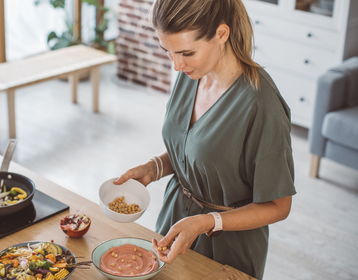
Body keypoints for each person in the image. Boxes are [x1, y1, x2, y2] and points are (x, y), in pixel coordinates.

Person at [113, 0, 297, 278]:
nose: (176, 65)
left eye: (186, 52)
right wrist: (155, 167)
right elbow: (199, 149)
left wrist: (206, 222)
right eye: (169, 52)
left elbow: (278, 206)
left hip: (229, 245)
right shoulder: (192, 73)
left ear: (221, 34)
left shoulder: (262, 105)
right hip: (175, 220)